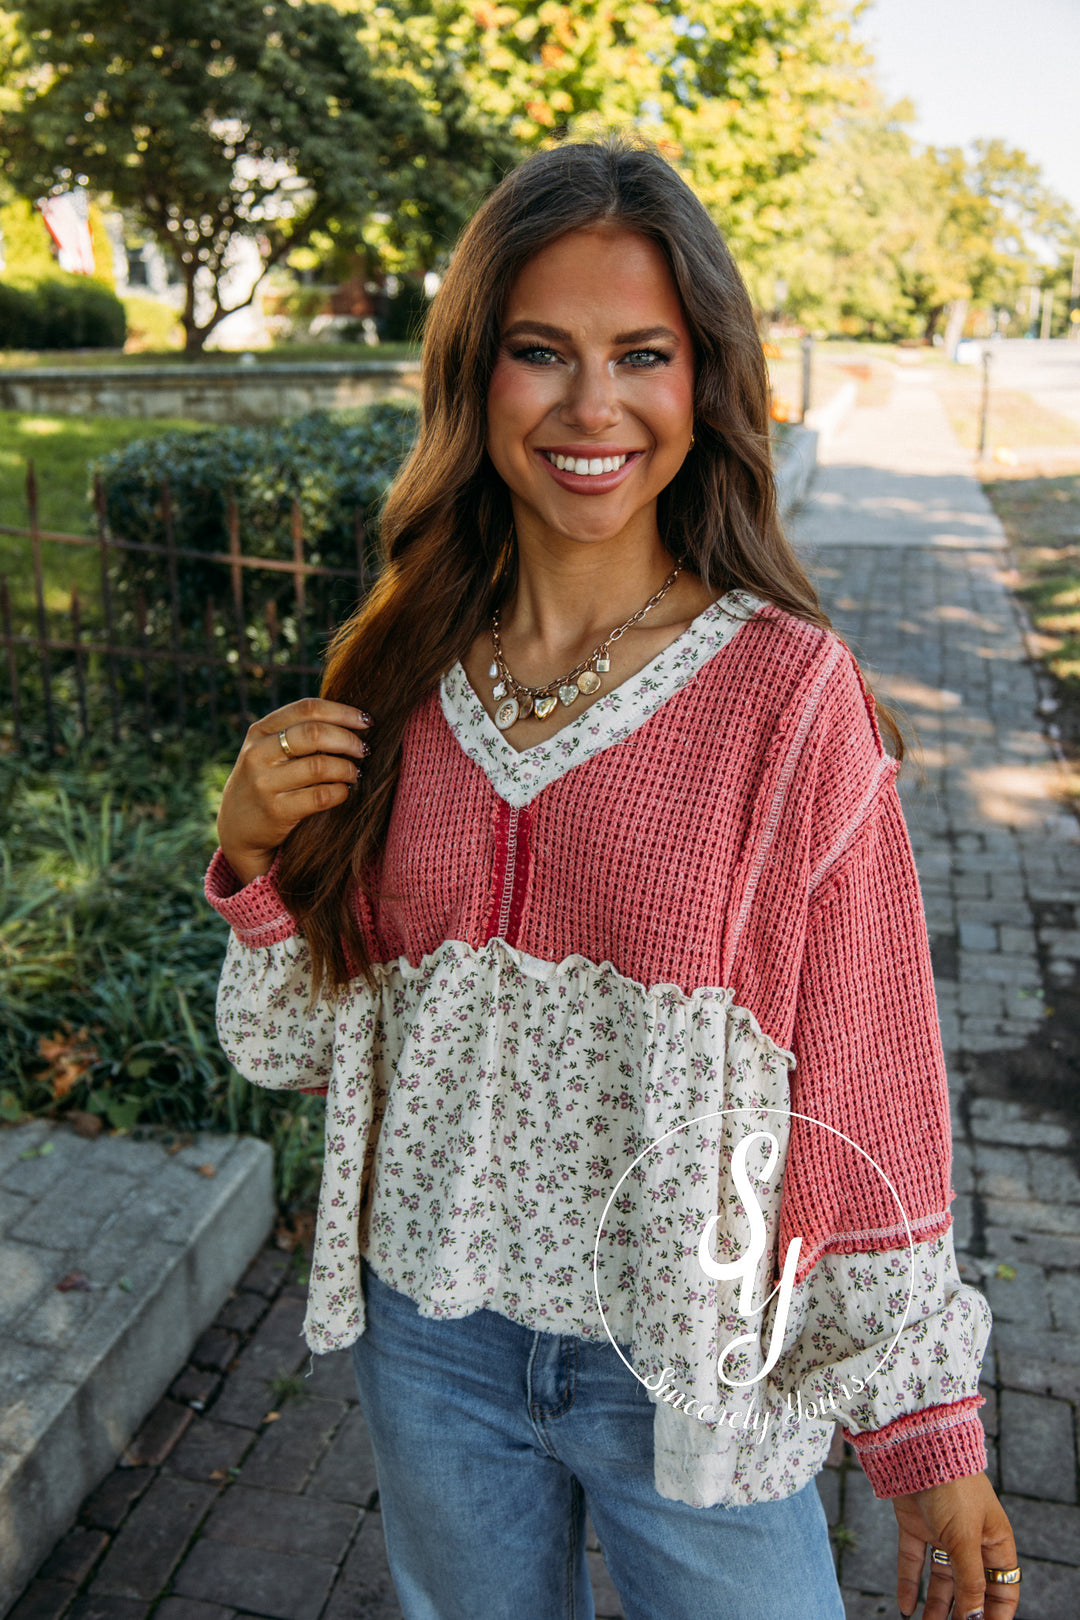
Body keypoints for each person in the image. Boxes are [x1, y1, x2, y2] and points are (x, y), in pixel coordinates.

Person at [205, 136, 1021, 1620]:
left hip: (689, 1356)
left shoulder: (787, 701)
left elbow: (870, 1079)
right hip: (430, 1338)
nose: (595, 405)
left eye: (642, 353)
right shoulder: (398, 679)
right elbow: (306, 1055)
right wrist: (256, 859)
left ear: (702, 384)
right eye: (541, 353)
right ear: (477, 380)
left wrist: (924, 1431)